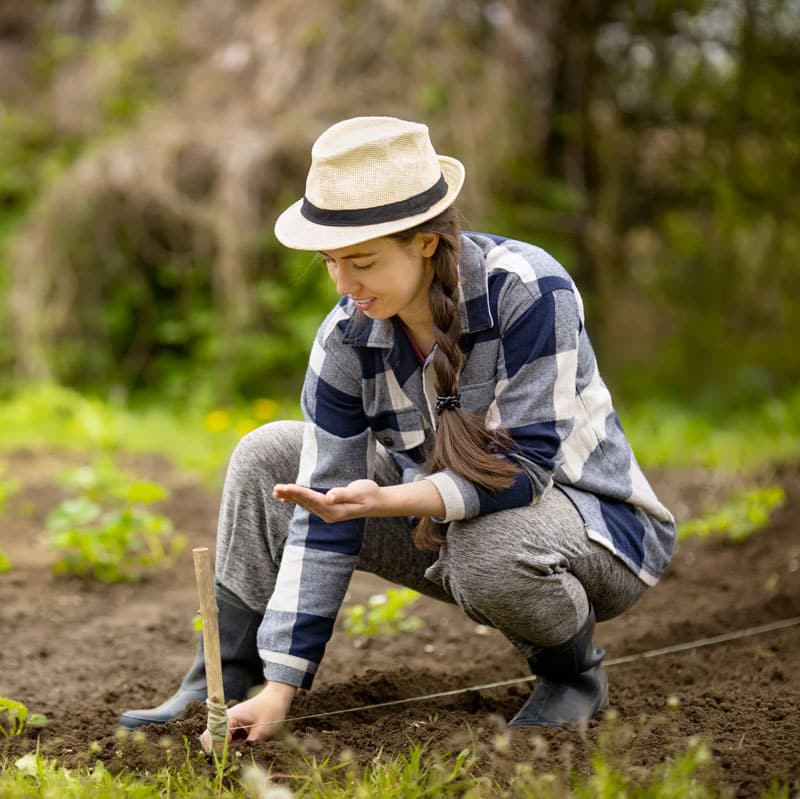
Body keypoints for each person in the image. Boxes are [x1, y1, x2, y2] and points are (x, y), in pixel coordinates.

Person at [119, 116, 675, 742]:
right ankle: (229, 677)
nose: (343, 285)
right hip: (444, 528)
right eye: (330, 262)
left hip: (594, 531)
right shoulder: (347, 337)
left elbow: (523, 473)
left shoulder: (528, 289)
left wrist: (386, 500)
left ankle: (572, 675)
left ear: (426, 242)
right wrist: (282, 689)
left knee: (487, 545)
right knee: (267, 453)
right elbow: (321, 517)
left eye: (362, 261)